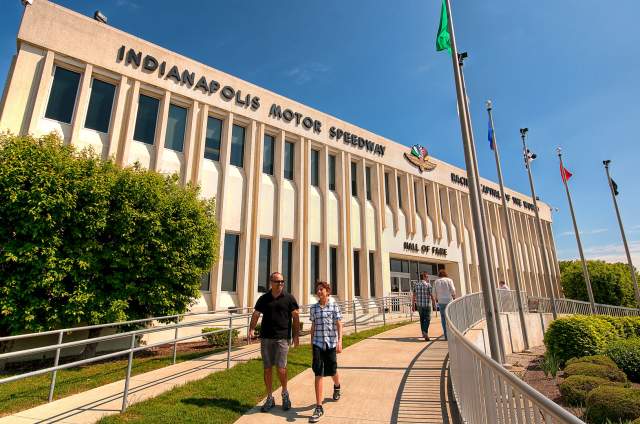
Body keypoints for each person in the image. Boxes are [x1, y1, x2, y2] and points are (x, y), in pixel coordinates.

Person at [249, 272, 300, 413]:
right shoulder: (264, 298)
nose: (281, 284)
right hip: (266, 338)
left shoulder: (289, 298)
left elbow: (296, 317)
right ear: (271, 282)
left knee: (281, 368)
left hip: (282, 338)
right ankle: (270, 397)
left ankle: (285, 393)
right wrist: (251, 329)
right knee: (267, 368)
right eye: (278, 281)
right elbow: (256, 314)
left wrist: (296, 336)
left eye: (282, 281)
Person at [308, 281, 343, 423]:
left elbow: (339, 323)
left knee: (333, 370)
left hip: (331, 344)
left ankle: (337, 386)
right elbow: (313, 326)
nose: (319, 292)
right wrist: (311, 344)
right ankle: (319, 406)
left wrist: (340, 341)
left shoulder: (334, 305)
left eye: (321, 289)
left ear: (327, 291)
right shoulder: (314, 308)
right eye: (317, 290)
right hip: (317, 343)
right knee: (318, 372)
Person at [433, 269, 456, 341]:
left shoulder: (436, 281)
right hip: (449, 301)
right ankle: (451, 334)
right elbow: (452, 290)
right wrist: (454, 296)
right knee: (450, 318)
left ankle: (446, 335)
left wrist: (436, 298)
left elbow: (433, 292)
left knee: (443, 318)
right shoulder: (449, 280)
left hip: (441, 302)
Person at [412, 272, 436, 341]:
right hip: (427, 305)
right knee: (428, 319)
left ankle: (423, 333)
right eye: (427, 277)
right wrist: (434, 305)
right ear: (425, 277)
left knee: (422, 319)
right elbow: (432, 296)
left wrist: (413, 305)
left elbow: (413, 296)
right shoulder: (428, 285)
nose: (428, 278)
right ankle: (425, 331)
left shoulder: (416, 285)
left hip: (419, 305)